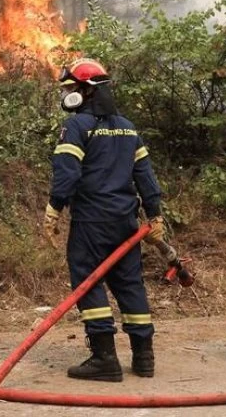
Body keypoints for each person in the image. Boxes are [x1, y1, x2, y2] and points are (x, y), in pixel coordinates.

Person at [44, 58, 167, 382]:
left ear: (87, 91)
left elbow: (67, 172)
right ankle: (144, 358)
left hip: (91, 223)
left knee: (87, 281)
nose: (68, 94)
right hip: (125, 224)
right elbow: (146, 176)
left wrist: (54, 208)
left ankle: (104, 359)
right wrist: (155, 215)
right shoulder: (128, 127)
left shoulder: (76, 126)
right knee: (129, 284)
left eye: (72, 88)